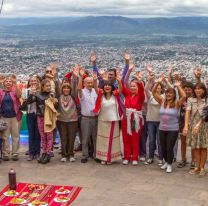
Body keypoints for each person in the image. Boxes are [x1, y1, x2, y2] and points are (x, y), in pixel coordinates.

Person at [152, 75, 186, 173]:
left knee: (169, 147)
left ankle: (170, 164)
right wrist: (158, 82)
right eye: (167, 93)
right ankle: (166, 162)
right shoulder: (162, 101)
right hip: (162, 128)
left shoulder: (177, 103)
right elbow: (154, 92)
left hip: (173, 129)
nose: (168, 95)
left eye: (170, 93)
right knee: (162, 147)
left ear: (174, 94)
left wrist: (178, 86)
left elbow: (183, 96)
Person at [93, 72, 122, 165]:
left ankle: (110, 158)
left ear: (112, 87)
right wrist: (94, 80)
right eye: (105, 85)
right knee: (102, 139)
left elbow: (120, 89)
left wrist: (119, 80)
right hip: (102, 119)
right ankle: (103, 157)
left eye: (109, 85)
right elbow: (96, 88)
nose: (107, 87)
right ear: (103, 87)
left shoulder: (115, 94)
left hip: (113, 120)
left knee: (112, 140)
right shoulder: (100, 94)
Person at [26, 78, 58, 164]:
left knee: (49, 136)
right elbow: (28, 102)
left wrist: (54, 100)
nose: (49, 87)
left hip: (49, 118)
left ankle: (48, 153)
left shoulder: (51, 95)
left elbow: (56, 106)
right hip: (40, 117)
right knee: (43, 136)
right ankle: (44, 152)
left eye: (50, 86)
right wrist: (31, 94)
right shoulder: (37, 94)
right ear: (42, 86)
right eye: (47, 86)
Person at [121, 65, 145, 165]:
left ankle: (135, 157)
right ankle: (127, 156)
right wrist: (128, 71)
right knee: (126, 138)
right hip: (126, 118)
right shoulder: (128, 95)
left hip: (135, 119)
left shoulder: (140, 97)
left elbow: (142, 91)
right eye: (131, 86)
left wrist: (139, 82)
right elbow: (122, 86)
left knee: (135, 139)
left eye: (134, 86)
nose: (132, 87)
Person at [183, 83, 208, 176]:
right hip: (193, 125)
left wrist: (199, 124)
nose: (198, 90)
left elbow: (206, 115)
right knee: (196, 147)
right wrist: (186, 126)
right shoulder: (190, 99)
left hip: (204, 125)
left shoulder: (206, 100)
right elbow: (187, 112)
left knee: (203, 147)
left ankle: (202, 168)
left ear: (204, 90)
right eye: (196, 88)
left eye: (200, 88)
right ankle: (197, 166)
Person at [78, 68, 98, 163]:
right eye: (88, 83)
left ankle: (95, 155)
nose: (90, 84)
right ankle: (85, 155)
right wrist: (81, 77)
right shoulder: (82, 92)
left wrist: (95, 80)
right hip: (85, 118)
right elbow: (78, 89)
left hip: (95, 118)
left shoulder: (95, 91)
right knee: (85, 138)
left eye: (91, 82)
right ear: (84, 83)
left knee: (95, 138)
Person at [0, 76, 22, 161]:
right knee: (5, 136)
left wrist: (15, 83)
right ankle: (6, 153)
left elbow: (19, 95)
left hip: (15, 117)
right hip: (4, 117)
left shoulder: (14, 92)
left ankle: (15, 153)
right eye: (6, 81)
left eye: (10, 81)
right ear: (4, 83)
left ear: (12, 83)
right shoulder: (1, 92)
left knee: (15, 136)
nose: (8, 82)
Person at [145, 71, 164, 165]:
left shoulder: (164, 97)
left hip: (161, 121)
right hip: (151, 121)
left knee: (160, 141)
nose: (157, 89)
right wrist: (150, 80)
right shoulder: (150, 96)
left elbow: (171, 89)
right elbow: (145, 89)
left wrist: (163, 80)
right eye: (156, 87)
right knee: (151, 140)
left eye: (159, 88)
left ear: (161, 89)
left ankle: (161, 158)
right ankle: (151, 157)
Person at [57, 82, 78, 162]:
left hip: (73, 121)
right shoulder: (59, 97)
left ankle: (71, 154)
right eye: (64, 88)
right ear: (62, 89)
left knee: (71, 138)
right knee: (63, 138)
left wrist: (76, 77)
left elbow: (75, 88)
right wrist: (55, 75)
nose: (66, 89)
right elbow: (56, 86)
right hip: (61, 120)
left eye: (68, 88)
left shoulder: (73, 96)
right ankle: (64, 155)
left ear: (70, 89)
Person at [177, 82, 195, 169]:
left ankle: (193, 161)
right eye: (185, 89)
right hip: (182, 122)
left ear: (192, 90)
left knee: (192, 143)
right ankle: (183, 159)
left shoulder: (195, 99)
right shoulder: (182, 98)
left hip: (192, 123)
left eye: (189, 90)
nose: (187, 91)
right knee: (183, 142)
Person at [24, 76, 41, 161]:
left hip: (38, 114)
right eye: (32, 81)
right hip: (30, 114)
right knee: (31, 134)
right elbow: (26, 103)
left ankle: (37, 153)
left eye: (35, 81)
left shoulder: (41, 92)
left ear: (38, 82)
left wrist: (36, 93)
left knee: (37, 134)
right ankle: (31, 153)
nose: (33, 82)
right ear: (29, 82)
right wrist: (31, 94)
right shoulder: (26, 91)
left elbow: (41, 102)